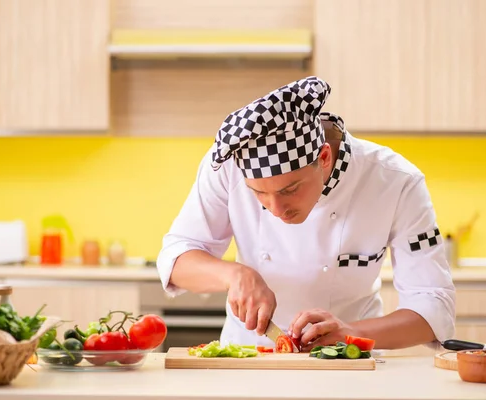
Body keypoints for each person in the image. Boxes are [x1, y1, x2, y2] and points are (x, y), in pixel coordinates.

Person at [156, 76, 455, 351]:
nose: (275, 210)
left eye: (289, 189)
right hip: (248, 359)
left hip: (347, 361)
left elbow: (433, 308)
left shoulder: (394, 180)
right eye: (258, 193)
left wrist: (349, 333)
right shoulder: (227, 166)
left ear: (323, 158)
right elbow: (176, 260)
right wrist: (234, 275)